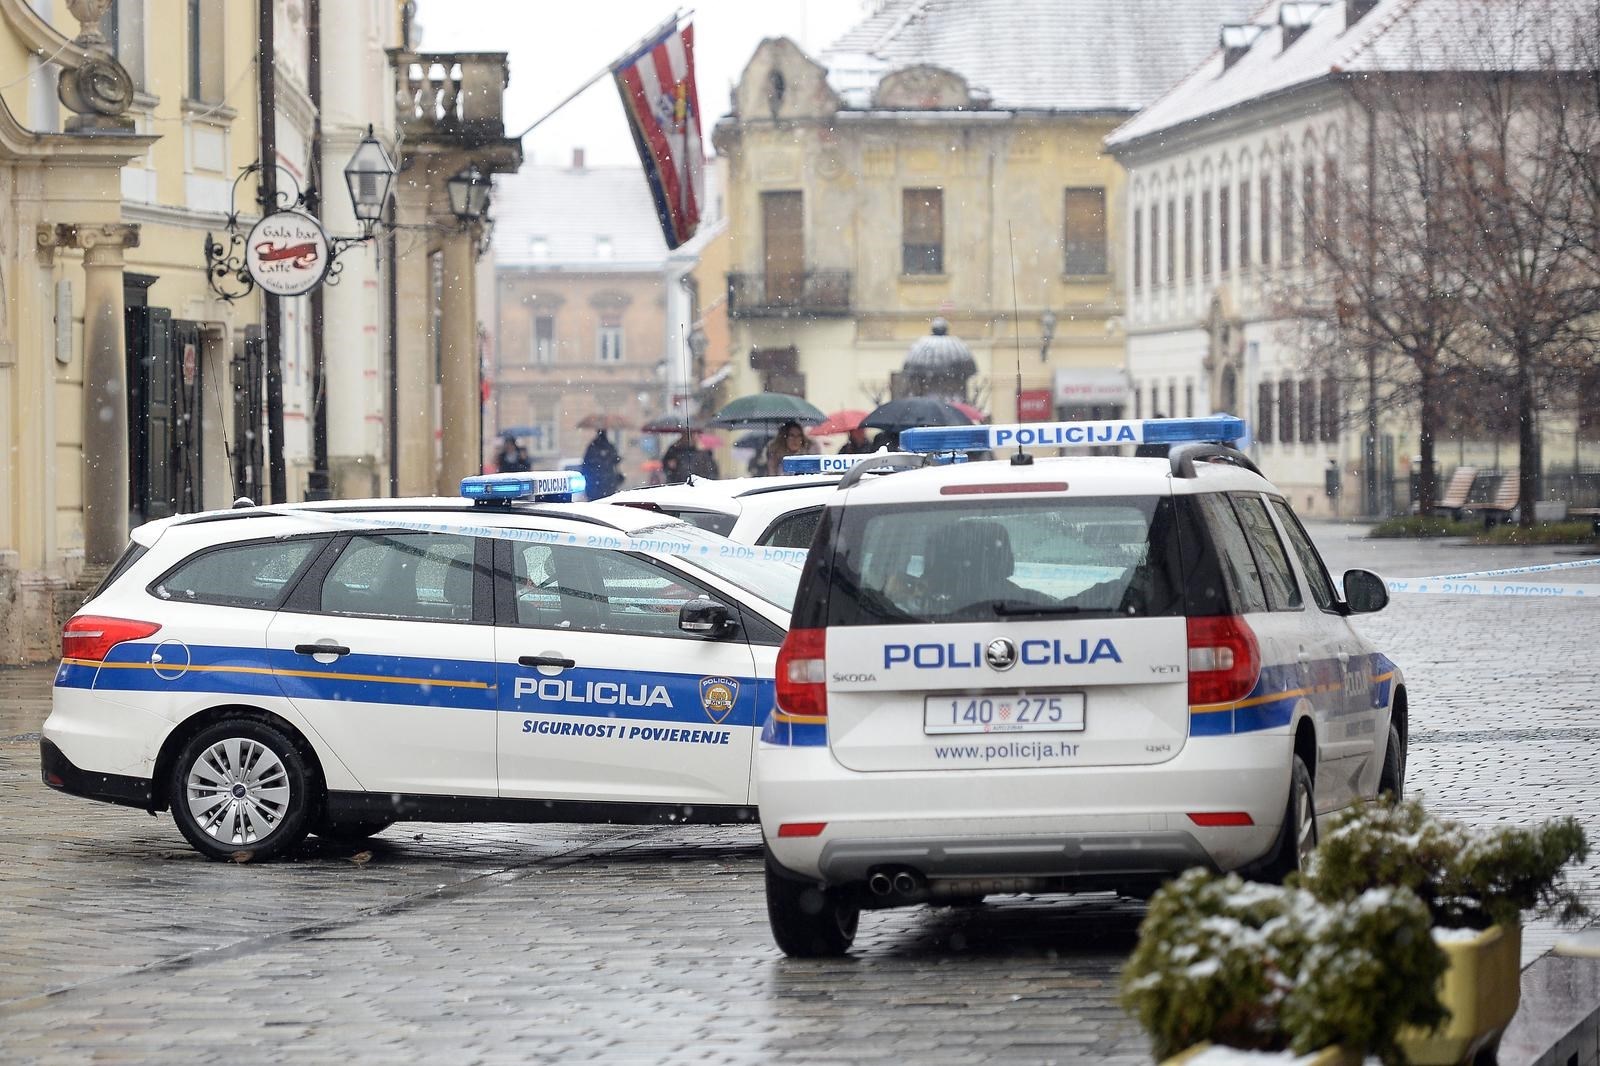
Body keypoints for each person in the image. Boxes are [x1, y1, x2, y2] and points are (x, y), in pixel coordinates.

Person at [581, 429, 623, 499]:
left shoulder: (593, 446)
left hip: (597, 483)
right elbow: (615, 460)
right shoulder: (608, 446)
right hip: (606, 483)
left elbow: (586, 463)